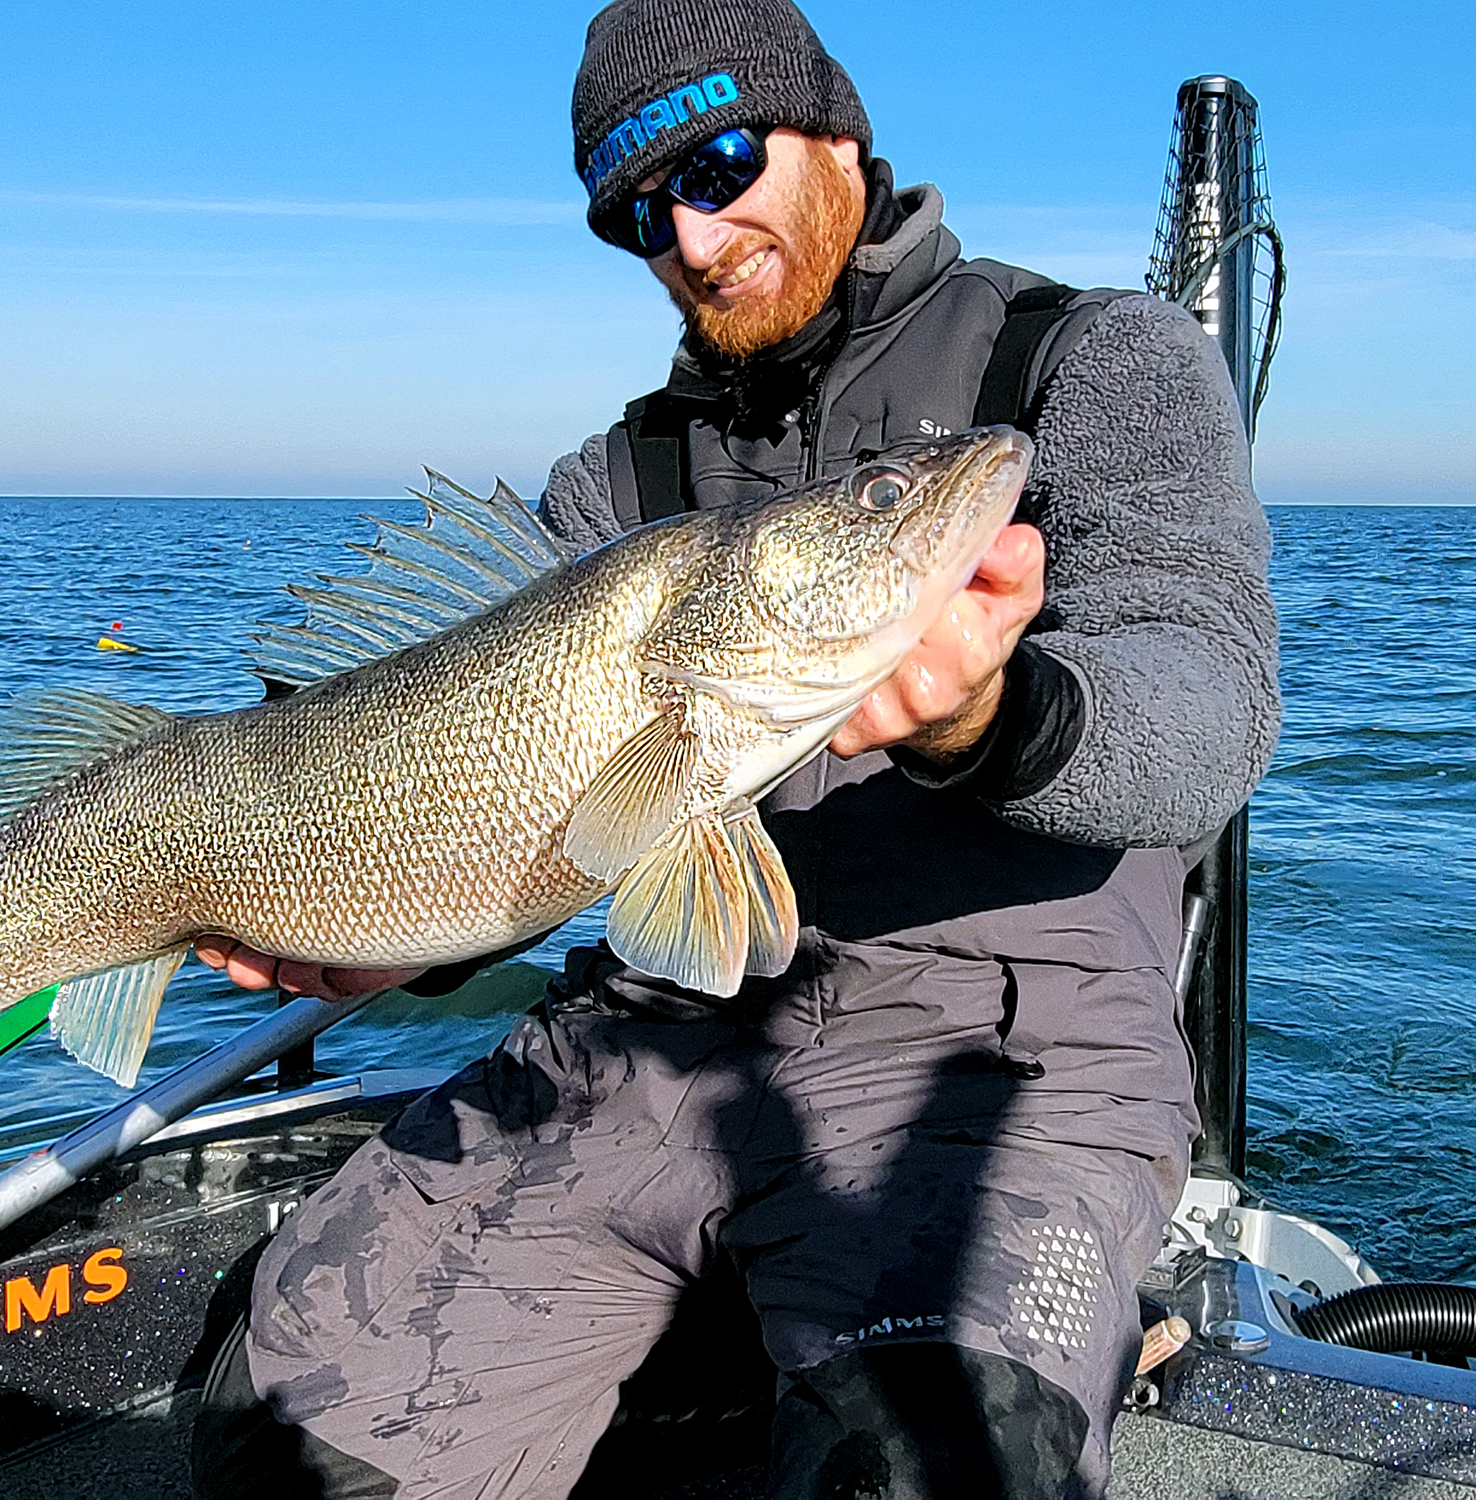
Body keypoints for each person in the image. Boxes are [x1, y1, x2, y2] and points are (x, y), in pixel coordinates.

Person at [188, 0, 1279, 1494]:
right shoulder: (609, 483)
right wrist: (392, 939)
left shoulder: (1090, 364)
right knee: (282, 1433)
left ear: (835, 129)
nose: (691, 241)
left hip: (997, 1044)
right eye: (638, 214)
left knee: (925, 1466)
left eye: (715, 166)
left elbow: (1206, 703)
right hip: (648, 1035)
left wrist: (990, 711)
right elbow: (491, 795)